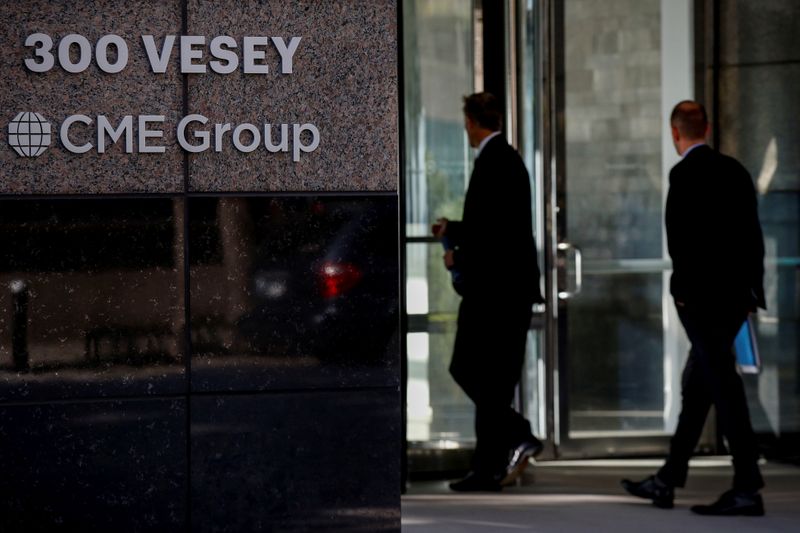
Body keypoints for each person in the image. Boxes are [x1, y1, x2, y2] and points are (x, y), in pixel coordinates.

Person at [622, 101, 766, 516]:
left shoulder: (683, 174)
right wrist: (752, 294)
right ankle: (667, 479)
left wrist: (682, 293)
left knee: (722, 387)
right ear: (707, 127)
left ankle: (746, 487)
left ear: (675, 132)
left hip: (703, 302)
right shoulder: (735, 170)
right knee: (700, 386)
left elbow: (680, 242)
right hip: (735, 299)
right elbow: (751, 237)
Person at [434, 92, 545, 492]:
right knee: (490, 379)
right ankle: (494, 462)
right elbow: (497, 225)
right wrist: (456, 229)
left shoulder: (493, 162)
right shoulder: (507, 160)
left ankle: (506, 448)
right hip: (506, 292)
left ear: (471, 123)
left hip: (494, 294)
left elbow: (492, 234)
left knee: (469, 368)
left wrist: (457, 259)